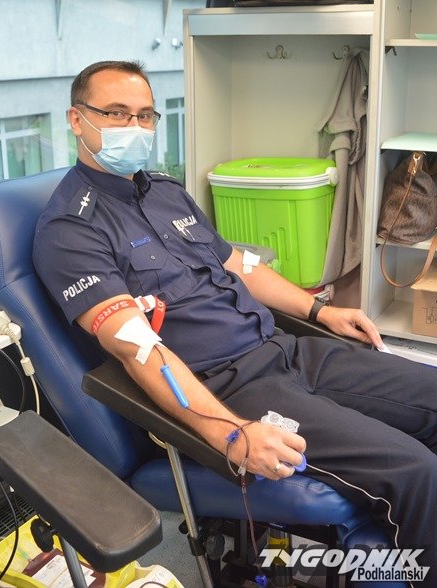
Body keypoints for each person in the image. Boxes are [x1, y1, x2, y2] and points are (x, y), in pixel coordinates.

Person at [33, 60, 437, 584]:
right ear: (77, 118)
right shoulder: (71, 229)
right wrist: (230, 432)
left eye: (145, 115)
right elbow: (135, 347)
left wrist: (320, 311)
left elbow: (238, 264)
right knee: (415, 471)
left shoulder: (164, 191)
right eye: (115, 113)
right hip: (229, 389)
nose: (134, 127)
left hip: (283, 348)